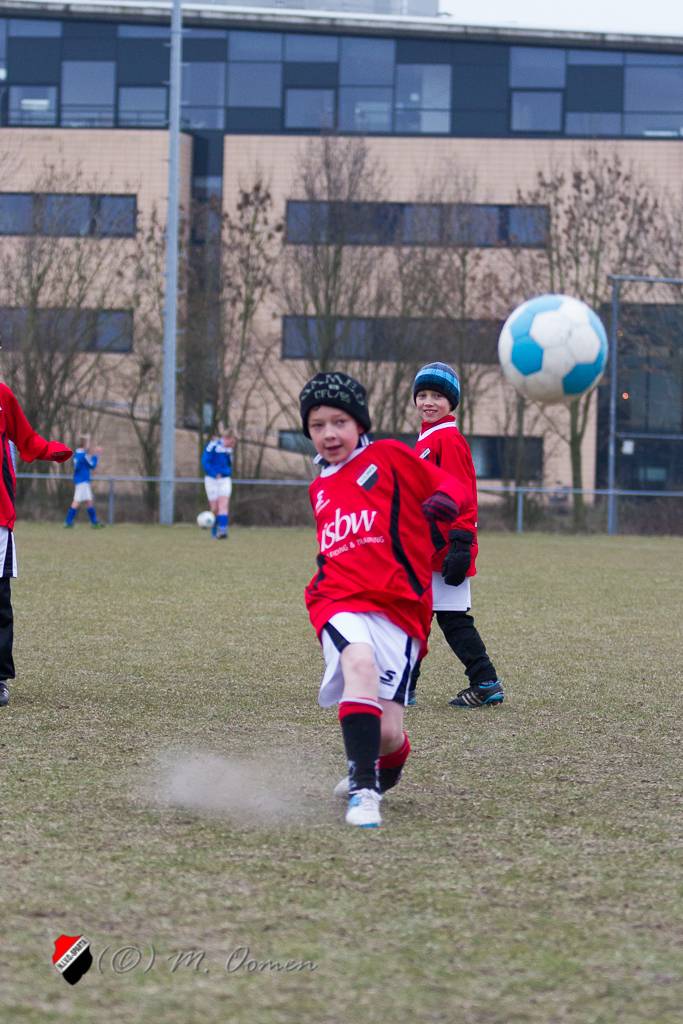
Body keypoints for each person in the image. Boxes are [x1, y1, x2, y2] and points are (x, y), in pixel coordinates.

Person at [300, 371, 470, 828]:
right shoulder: (319, 488)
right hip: (337, 597)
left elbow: (453, 486)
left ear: (360, 423)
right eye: (317, 425)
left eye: (339, 422)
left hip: (400, 608)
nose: (329, 434)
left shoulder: (389, 456)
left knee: (389, 733)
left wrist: (446, 503)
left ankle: (380, 770)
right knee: (358, 663)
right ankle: (363, 790)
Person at [413, 361, 505, 708]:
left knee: (432, 618)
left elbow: (462, 494)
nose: (429, 402)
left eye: (437, 395)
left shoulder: (448, 439)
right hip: (425, 549)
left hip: (443, 550)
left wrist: (461, 543)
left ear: (451, 402)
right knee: (434, 618)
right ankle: (483, 682)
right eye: (423, 394)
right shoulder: (427, 438)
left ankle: (403, 687)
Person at [0, 382, 72, 707]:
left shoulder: (2, 395)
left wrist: (47, 450)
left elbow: (26, 437)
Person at [64, 436, 104, 528]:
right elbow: (92, 465)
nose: (89, 445)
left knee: (88, 501)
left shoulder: (77, 454)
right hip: (83, 481)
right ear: (84, 444)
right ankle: (68, 522)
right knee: (76, 502)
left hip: (81, 481)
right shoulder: (83, 455)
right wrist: (96, 455)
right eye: (88, 443)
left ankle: (94, 522)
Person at [201, 429, 234, 539]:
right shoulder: (212, 446)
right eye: (232, 441)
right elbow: (205, 461)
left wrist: (225, 473)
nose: (233, 444)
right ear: (227, 438)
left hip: (224, 480)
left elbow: (228, 465)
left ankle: (223, 531)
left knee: (223, 505)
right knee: (214, 508)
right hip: (211, 480)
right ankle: (214, 533)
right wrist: (214, 473)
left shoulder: (229, 450)